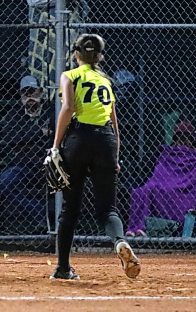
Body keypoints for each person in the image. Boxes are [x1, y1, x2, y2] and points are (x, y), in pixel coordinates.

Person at [48, 34, 140, 279]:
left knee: (70, 209)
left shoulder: (70, 75)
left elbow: (68, 107)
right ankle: (120, 242)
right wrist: (115, 154)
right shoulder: (105, 80)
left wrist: (56, 145)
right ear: (100, 56)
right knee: (107, 208)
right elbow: (114, 120)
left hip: (78, 139)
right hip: (106, 141)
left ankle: (63, 268)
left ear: (75, 54)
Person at [0, 75, 53, 233]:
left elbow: (57, 134)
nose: (30, 97)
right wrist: (39, 132)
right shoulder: (14, 115)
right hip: (24, 164)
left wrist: (27, 139)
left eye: (33, 92)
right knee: (5, 183)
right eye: (25, 93)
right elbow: (12, 138)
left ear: (40, 92)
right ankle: (39, 213)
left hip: (50, 162)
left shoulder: (51, 111)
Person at [126, 121, 196, 237]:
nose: (182, 143)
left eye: (186, 138)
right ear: (175, 139)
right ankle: (138, 228)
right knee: (142, 191)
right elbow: (158, 175)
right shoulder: (167, 153)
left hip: (183, 189)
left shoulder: (192, 155)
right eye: (180, 138)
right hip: (161, 186)